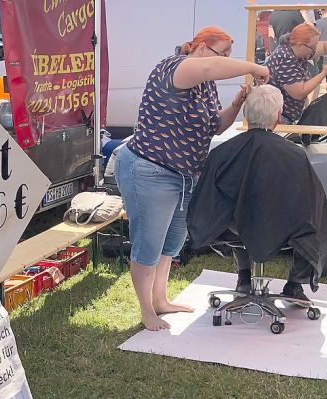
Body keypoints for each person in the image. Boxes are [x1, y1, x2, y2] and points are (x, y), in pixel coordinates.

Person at [115, 26, 271, 331]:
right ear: (201, 47)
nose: (226, 60)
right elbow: (209, 67)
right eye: (223, 53)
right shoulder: (175, 68)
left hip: (183, 175)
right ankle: (147, 311)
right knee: (148, 245)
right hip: (151, 170)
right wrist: (255, 67)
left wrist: (237, 105)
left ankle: (160, 299)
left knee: (170, 244)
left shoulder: (205, 84)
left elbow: (215, 127)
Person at [187, 85, 327, 301]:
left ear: (246, 113)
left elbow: (207, 200)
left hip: (233, 229)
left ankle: (244, 277)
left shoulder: (221, 153)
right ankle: (295, 283)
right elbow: (311, 203)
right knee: (319, 220)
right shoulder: (294, 154)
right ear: (278, 117)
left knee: (235, 214)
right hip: (280, 229)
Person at [265, 23, 327, 124]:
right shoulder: (285, 58)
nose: (314, 50)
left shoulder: (298, 49)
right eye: (313, 47)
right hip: (278, 118)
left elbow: (325, 47)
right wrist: (324, 73)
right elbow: (299, 92)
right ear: (300, 44)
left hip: (286, 115)